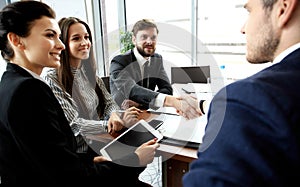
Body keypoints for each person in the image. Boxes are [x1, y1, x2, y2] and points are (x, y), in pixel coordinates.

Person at [0, 1, 159, 186]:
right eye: (50, 35)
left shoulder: (11, 82)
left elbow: (51, 159)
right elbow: (68, 176)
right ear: (16, 40)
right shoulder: (29, 90)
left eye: (59, 37)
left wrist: (90, 161)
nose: (60, 45)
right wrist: (135, 160)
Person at [183, 0, 300, 186]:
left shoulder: (249, 99)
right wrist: (203, 104)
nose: (243, 28)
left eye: (250, 11)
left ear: (283, 9)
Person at [43, 17, 141, 154]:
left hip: (100, 142)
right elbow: (75, 125)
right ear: (63, 43)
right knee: (136, 157)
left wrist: (114, 115)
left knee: (143, 148)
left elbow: (109, 102)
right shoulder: (52, 79)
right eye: (76, 38)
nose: (85, 43)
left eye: (86, 37)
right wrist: (109, 124)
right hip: (80, 153)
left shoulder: (88, 74)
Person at [110, 19, 203, 119]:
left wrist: (141, 104)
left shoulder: (156, 59)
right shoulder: (119, 62)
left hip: (145, 114)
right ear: (134, 40)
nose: (149, 41)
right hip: (121, 119)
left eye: (153, 38)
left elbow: (167, 89)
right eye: (144, 37)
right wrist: (173, 102)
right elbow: (132, 90)